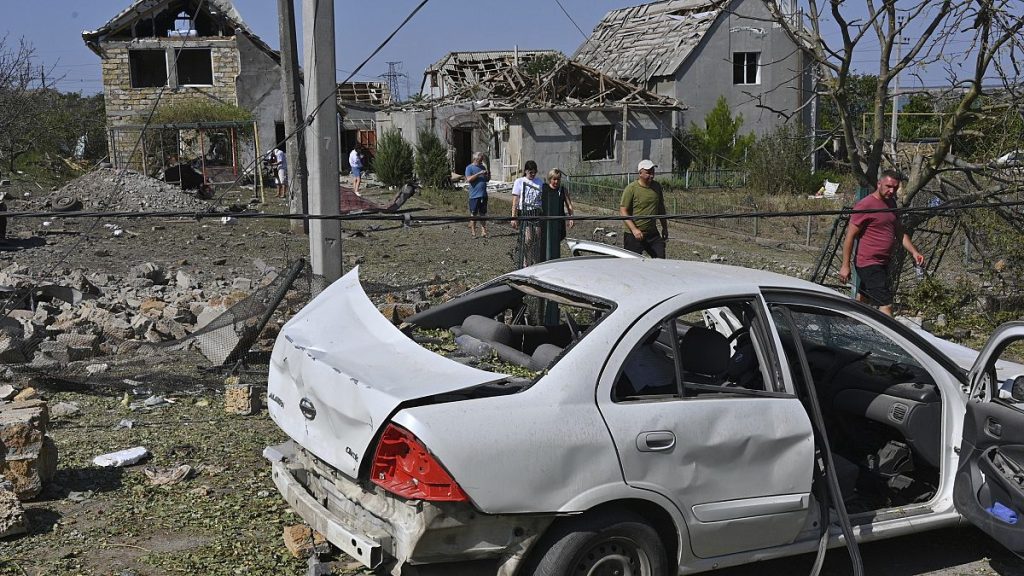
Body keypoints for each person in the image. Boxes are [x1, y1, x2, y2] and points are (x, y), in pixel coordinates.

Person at [838, 169, 925, 316]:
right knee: (885, 304)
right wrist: (845, 265)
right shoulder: (865, 205)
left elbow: (900, 232)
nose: (891, 191)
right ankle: (892, 338)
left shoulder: (891, 203)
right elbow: (850, 237)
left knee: (864, 298)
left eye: (895, 188)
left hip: (883, 262)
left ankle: (850, 323)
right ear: (879, 184)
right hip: (868, 263)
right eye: (888, 186)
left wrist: (914, 252)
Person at [620, 159, 668, 258]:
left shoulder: (657, 187)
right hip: (634, 235)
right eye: (648, 173)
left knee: (660, 260)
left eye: (653, 172)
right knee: (632, 264)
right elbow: (623, 211)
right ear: (640, 173)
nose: (651, 175)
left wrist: (665, 228)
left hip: (652, 233)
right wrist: (634, 230)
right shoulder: (631, 189)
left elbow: (661, 208)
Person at [511, 161, 544, 266]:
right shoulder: (519, 181)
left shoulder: (540, 182)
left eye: (534, 172)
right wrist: (514, 217)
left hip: (537, 212)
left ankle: (536, 261)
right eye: (531, 172)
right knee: (528, 239)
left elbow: (543, 197)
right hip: (525, 212)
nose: (533, 175)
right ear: (525, 171)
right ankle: (526, 261)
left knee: (537, 238)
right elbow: (515, 200)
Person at [540, 169, 574, 251]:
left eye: (558, 179)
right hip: (547, 220)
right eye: (554, 179)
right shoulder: (544, 188)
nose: (556, 181)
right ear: (550, 179)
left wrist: (571, 217)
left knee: (556, 242)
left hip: (559, 221)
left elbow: (569, 205)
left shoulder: (563, 190)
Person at [465, 152, 490, 238]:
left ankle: (483, 231)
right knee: (474, 214)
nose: (482, 160)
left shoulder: (483, 167)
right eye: (481, 158)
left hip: (483, 194)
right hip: (474, 195)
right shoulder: (469, 168)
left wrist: (488, 173)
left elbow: (487, 179)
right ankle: (473, 232)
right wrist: (479, 174)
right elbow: (469, 179)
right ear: (476, 158)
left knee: (483, 213)